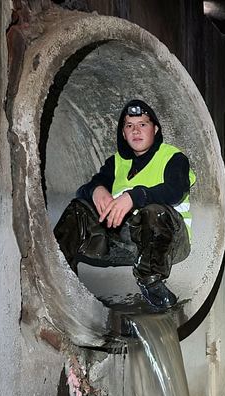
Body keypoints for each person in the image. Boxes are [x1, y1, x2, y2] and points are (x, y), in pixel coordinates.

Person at [53, 99, 195, 312]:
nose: (136, 131)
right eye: (129, 126)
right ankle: (59, 275)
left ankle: (150, 282)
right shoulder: (117, 162)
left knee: (153, 212)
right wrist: (96, 190)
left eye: (142, 124)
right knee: (78, 209)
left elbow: (175, 190)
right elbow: (85, 189)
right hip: (127, 245)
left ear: (155, 129)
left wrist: (135, 196)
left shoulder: (173, 158)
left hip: (168, 244)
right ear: (123, 133)